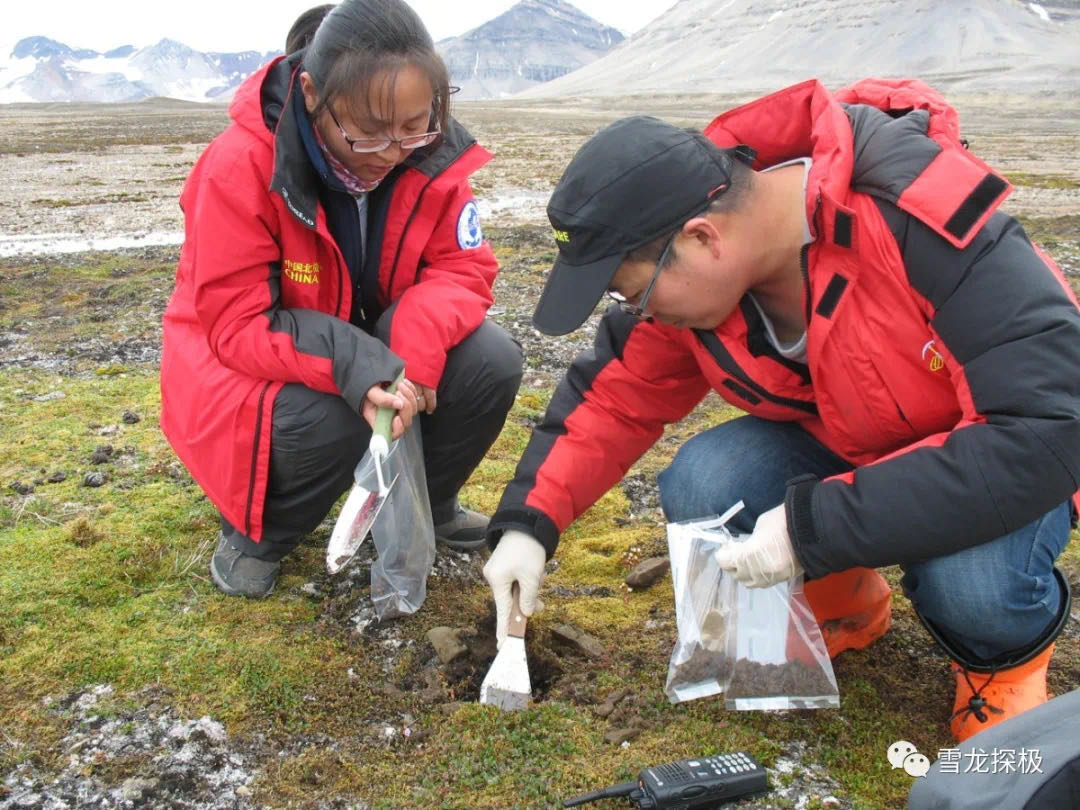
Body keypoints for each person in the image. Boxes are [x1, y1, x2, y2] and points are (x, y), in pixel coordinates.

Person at [482, 78, 1080, 742]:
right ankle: (846, 603)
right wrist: (527, 528)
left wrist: (809, 527)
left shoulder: (926, 221)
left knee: (970, 587)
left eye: (634, 295)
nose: (640, 314)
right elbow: (614, 400)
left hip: (1005, 457)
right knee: (708, 486)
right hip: (855, 449)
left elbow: (1043, 428)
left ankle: (1002, 666)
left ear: (704, 238)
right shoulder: (692, 281)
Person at [161, 0, 523, 599]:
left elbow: (464, 268)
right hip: (239, 365)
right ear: (310, 95)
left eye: (413, 125)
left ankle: (424, 505)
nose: (392, 151)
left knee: (491, 360)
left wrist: (414, 352)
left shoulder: (432, 154)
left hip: (359, 345)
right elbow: (235, 323)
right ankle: (260, 534)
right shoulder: (239, 166)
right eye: (367, 130)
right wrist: (358, 367)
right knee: (334, 416)